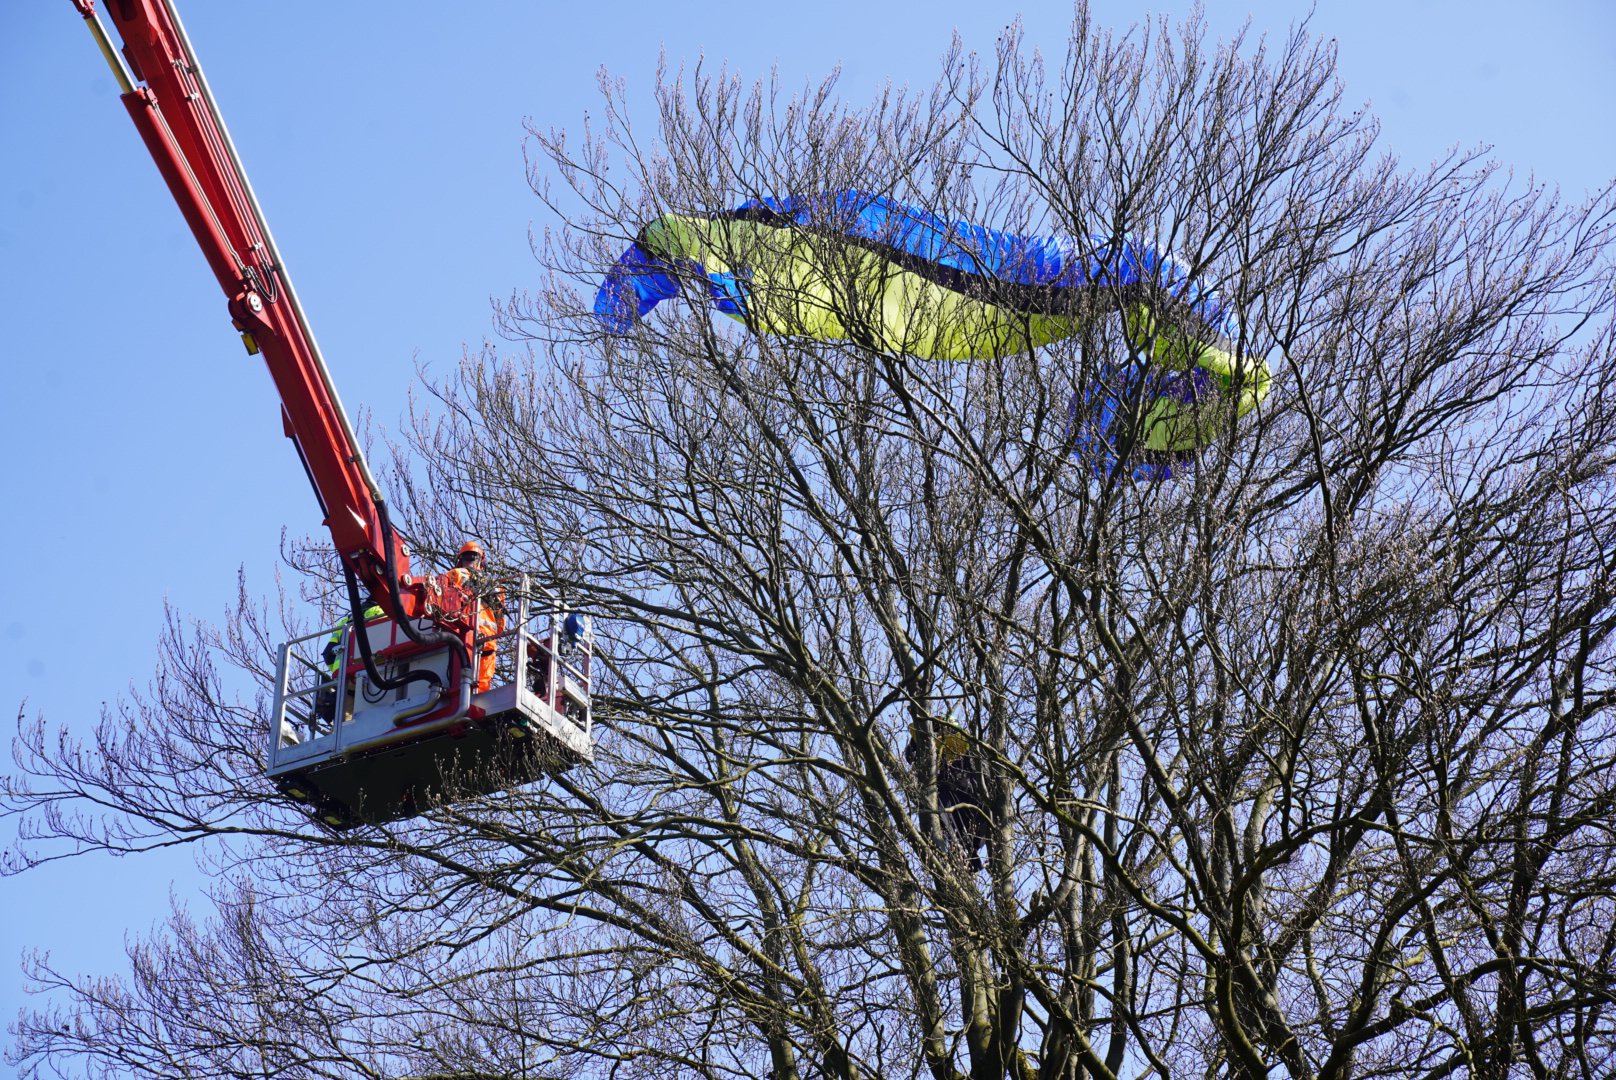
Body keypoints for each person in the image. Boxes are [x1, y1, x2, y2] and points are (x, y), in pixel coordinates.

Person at [904, 716, 991, 872]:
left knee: (942, 797)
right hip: (960, 811)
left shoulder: (970, 755)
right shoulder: (941, 778)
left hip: (970, 805)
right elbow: (911, 756)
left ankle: (962, 857)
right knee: (939, 801)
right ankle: (959, 859)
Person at [439, 540, 504, 693]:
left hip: (464, 634)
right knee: (482, 687)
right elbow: (501, 624)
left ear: (460, 559)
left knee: (458, 678)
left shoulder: (455, 574)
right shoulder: (496, 587)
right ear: (482, 561)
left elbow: (440, 601)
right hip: (489, 640)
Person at [315, 596, 385, 727]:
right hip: (372, 672)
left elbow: (328, 654)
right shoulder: (380, 611)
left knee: (343, 727)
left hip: (344, 677)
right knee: (375, 720)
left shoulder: (345, 621)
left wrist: (339, 669)